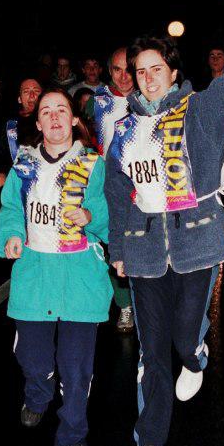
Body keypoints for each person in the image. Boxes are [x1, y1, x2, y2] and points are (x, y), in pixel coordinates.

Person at [105, 1, 224, 446]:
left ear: (173, 72)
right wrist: (118, 251)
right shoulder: (125, 131)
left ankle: (195, 353)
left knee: (182, 336)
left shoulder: (200, 112)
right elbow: (117, 194)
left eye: (156, 68)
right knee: (152, 353)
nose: (148, 78)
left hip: (197, 245)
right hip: (145, 252)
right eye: (140, 71)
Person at [0, 88, 111, 446]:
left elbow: (110, 213)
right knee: (33, 358)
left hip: (80, 278)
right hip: (35, 276)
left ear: (74, 119)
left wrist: (91, 216)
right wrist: (11, 235)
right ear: (38, 122)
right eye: (46, 111)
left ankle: (73, 430)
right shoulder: (24, 164)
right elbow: (11, 209)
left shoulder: (94, 164)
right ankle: (38, 392)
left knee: (75, 368)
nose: (55, 116)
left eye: (62, 109)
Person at [88, 46, 137, 331]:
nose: (124, 76)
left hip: (141, 184)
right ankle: (125, 305)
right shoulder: (96, 101)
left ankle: (145, 302)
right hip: (107, 186)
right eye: (117, 69)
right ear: (109, 71)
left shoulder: (148, 98)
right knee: (113, 244)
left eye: (129, 69)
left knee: (142, 242)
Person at [0, 78, 42, 190]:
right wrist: (0, 172)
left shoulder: (51, 120)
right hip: (16, 183)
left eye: (36, 91)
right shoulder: (9, 125)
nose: (32, 95)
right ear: (19, 99)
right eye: (26, 91)